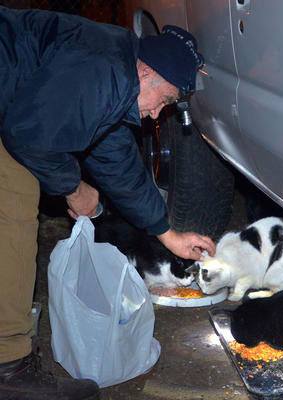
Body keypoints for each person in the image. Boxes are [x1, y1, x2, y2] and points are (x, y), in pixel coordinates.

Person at [0, 6, 215, 399]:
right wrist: (73, 188)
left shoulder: (114, 75)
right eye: (162, 99)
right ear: (146, 71)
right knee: (15, 196)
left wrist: (169, 235)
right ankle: (8, 368)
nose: (155, 115)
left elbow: (119, 165)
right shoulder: (104, 69)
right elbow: (30, 137)